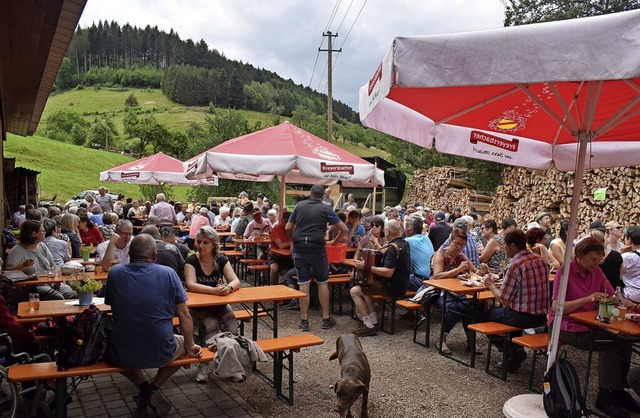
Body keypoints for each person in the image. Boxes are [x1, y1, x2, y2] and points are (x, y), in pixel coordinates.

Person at [106, 234, 202, 415]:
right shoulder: (168, 273)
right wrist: (190, 344)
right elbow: (184, 314)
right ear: (154, 255)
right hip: (162, 349)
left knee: (112, 352)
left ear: (129, 254)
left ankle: (143, 387)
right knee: (186, 347)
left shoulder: (115, 273)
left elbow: (114, 306)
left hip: (122, 350)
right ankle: (151, 387)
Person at [549, 237, 640, 417]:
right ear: (580, 255)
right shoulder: (565, 271)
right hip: (564, 325)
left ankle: (618, 391)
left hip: (587, 323)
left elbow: (614, 294)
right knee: (611, 342)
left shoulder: (596, 271)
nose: (596, 264)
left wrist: (629, 304)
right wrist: (588, 298)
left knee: (623, 340)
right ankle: (604, 396)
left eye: (599, 260)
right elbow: (556, 307)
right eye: (593, 259)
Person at [481, 229, 549, 372]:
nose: (502, 248)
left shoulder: (516, 265)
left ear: (513, 246)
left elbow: (505, 300)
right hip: (542, 317)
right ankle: (514, 352)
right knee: (507, 313)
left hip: (522, 317)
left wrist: (491, 285)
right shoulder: (541, 260)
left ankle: (513, 349)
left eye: (504, 245)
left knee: (482, 316)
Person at [183, 226, 241, 383]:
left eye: (205, 243)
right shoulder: (191, 260)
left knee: (232, 326)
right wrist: (214, 291)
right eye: (199, 241)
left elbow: (236, 281)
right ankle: (204, 366)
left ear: (214, 244)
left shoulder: (221, 260)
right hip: (198, 307)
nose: (200, 246)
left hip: (218, 304)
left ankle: (231, 366)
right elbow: (190, 284)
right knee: (211, 326)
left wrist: (228, 288)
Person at [286, 184, 347, 332]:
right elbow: (344, 229)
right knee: (322, 282)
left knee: (303, 282)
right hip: (317, 248)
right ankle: (326, 318)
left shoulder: (299, 206)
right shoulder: (326, 209)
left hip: (300, 248)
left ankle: (304, 320)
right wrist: (335, 241)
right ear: (323, 196)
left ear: (310, 194)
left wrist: (294, 240)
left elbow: (288, 227)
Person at [433, 228, 488, 354]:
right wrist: (458, 270)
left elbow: (475, 272)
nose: (459, 247)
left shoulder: (461, 256)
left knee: (468, 308)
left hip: (457, 291)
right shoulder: (440, 255)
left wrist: (482, 271)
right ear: (450, 241)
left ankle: (470, 341)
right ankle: (442, 339)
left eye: (462, 245)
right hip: (440, 291)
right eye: (456, 243)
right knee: (454, 308)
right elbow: (437, 276)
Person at [351, 219, 411, 336]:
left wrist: (367, 266)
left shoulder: (392, 248)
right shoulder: (404, 244)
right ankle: (373, 322)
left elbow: (388, 272)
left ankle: (368, 324)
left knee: (354, 291)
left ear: (387, 231)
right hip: (403, 284)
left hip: (392, 287)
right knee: (366, 288)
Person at [6, 220, 76, 300]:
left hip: (50, 283)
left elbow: (52, 265)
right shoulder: (17, 250)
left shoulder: (42, 246)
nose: (45, 232)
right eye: (42, 231)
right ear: (34, 234)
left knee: (74, 294)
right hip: (33, 287)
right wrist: (23, 266)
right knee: (57, 298)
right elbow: (8, 272)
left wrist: (57, 276)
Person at [404, 215, 434, 291]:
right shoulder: (426, 238)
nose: (404, 230)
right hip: (433, 279)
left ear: (411, 230)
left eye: (406, 227)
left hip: (422, 281)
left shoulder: (407, 241)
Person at [268, 211, 293, 286]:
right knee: (274, 268)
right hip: (276, 256)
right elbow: (280, 245)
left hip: (290, 256)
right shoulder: (276, 229)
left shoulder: (293, 229)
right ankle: (273, 289)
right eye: (285, 221)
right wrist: (292, 243)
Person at [622, 226, 640, 301]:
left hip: (632, 295)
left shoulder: (626, 257)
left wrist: (619, 253)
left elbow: (618, 274)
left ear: (629, 240)